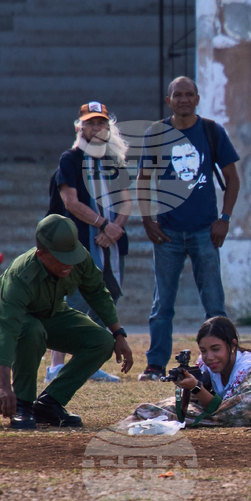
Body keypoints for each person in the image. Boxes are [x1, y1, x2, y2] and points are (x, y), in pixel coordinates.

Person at [137, 76, 241, 381]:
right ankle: (155, 364)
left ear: (197, 99)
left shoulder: (211, 131)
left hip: (204, 231)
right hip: (167, 231)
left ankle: (222, 362)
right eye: (177, 95)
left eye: (189, 94)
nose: (183, 99)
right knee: (162, 304)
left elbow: (233, 179)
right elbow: (144, 180)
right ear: (169, 101)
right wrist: (147, 219)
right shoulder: (156, 133)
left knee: (214, 304)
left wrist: (225, 218)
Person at [0, 215, 134, 429]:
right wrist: (4, 387)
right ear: (42, 254)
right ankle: (24, 405)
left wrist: (118, 334)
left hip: (53, 314)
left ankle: (49, 403)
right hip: (15, 322)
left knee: (101, 341)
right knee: (32, 330)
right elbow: (7, 331)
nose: (70, 262)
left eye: (72, 254)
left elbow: (97, 291)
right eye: (62, 257)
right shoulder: (20, 276)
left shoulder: (78, 257)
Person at [46, 102, 133, 384]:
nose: (96, 129)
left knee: (106, 301)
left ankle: (89, 361)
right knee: (72, 305)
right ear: (78, 127)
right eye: (90, 123)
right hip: (77, 244)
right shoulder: (70, 159)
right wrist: (103, 224)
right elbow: (71, 202)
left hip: (110, 245)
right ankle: (56, 367)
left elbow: (127, 201)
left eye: (101, 124)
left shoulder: (114, 160)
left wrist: (114, 229)